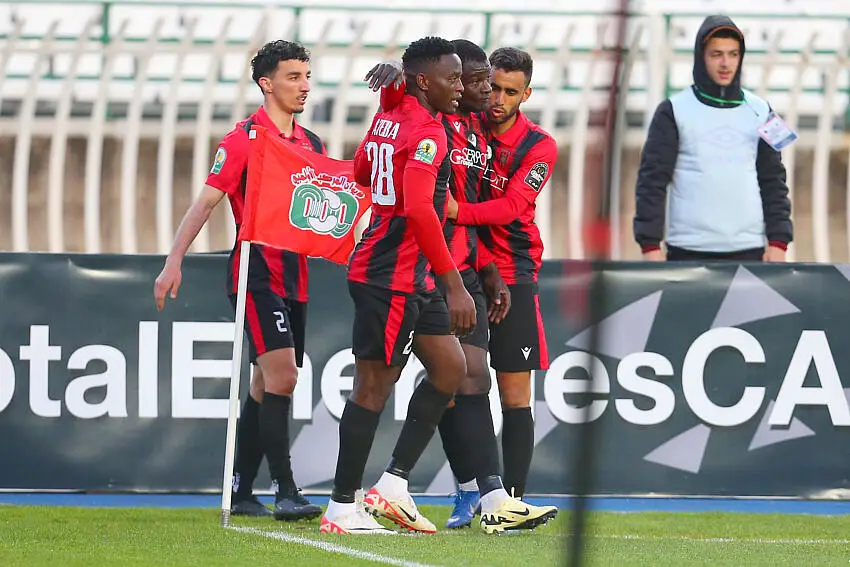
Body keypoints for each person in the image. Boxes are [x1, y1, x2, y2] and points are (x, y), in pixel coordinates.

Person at [366, 40, 558, 532]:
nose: (490, 94)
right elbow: (403, 109)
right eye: (480, 83)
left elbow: (507, 206)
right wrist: (393, 80)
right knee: (428, 379)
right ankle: (385, 489)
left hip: (492, 270)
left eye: (501, 88)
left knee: (485, 382)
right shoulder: (440, 122)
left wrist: (483, 261)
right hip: (432, 271)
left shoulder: (509, 137)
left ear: (525, 94)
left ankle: (498, 496)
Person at [153, 40, 323, 522]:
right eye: (293, 77)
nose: (304, 86)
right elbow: (205, 203)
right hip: (256, 273)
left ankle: (242, 487)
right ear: (267, 84)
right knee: (284, 376)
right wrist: (173, 262)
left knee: (264, 383)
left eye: (307, 77)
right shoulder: (242, 140)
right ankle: (285, 489)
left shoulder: (312, 144)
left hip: (296, 276)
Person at [319, 35, 475, 535]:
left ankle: (392, 486)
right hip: (390, 276)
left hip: (410, 274)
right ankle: (341, 507)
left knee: (450, 368)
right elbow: (420, 210)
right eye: (452, 78)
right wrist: (455, 283)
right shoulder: (428, 131)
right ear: (424, 81)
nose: (461, 86)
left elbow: (363, 171)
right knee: (373, 386)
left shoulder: (390, 116)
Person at [444, 46, 558, 504]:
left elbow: (512, 207)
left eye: (511, 92)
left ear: (526, 94)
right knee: (451, 382)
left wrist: (457, 211)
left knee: (515, 393)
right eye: (493, 88)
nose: (498, 99)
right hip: (463, 268)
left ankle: (512, 500)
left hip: (514, 271)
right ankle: (470, 490)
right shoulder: (465, 125)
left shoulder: (539, 146)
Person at [633, 15, 793, 262]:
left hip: (749, 250)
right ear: (701, 57)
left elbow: (774, 180)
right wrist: (649, 244)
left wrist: (779, 240)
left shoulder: (761, 110)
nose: (725, 63)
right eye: (716, 54)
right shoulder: (673, 110)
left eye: (733, 54)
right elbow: (652, 181)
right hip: (687, 250)